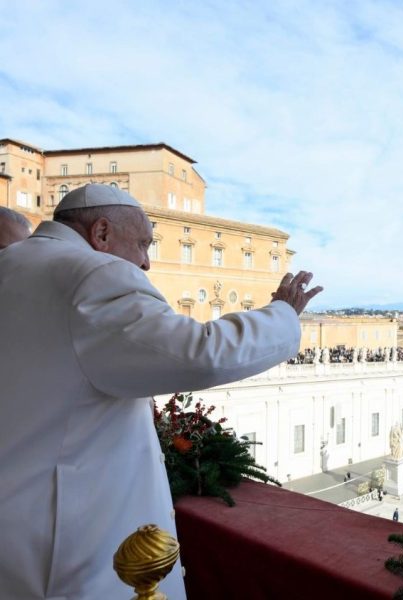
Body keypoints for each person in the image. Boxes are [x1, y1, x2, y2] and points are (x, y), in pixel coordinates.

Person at [0, 184, 323, 600]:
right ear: (100, 234)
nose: (146, 262)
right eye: (142, 244)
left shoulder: (11, 264)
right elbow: (201, 353)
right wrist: (283, 314)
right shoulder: (93, 275)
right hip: (75, 547)